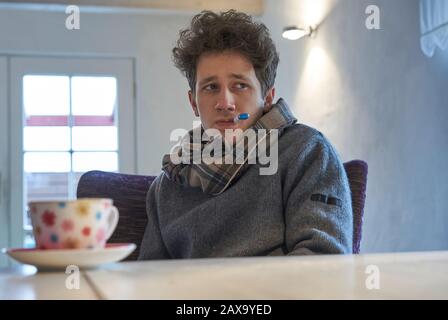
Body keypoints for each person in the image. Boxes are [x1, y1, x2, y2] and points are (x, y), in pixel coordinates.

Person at [138, 9, 353, 259]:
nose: (225, 103)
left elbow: (322, 261)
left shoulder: (306, 151)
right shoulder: (167, 185)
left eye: (240, 85)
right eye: (210, 87)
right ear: (194, 102)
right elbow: (149, 277)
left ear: (268, 98)